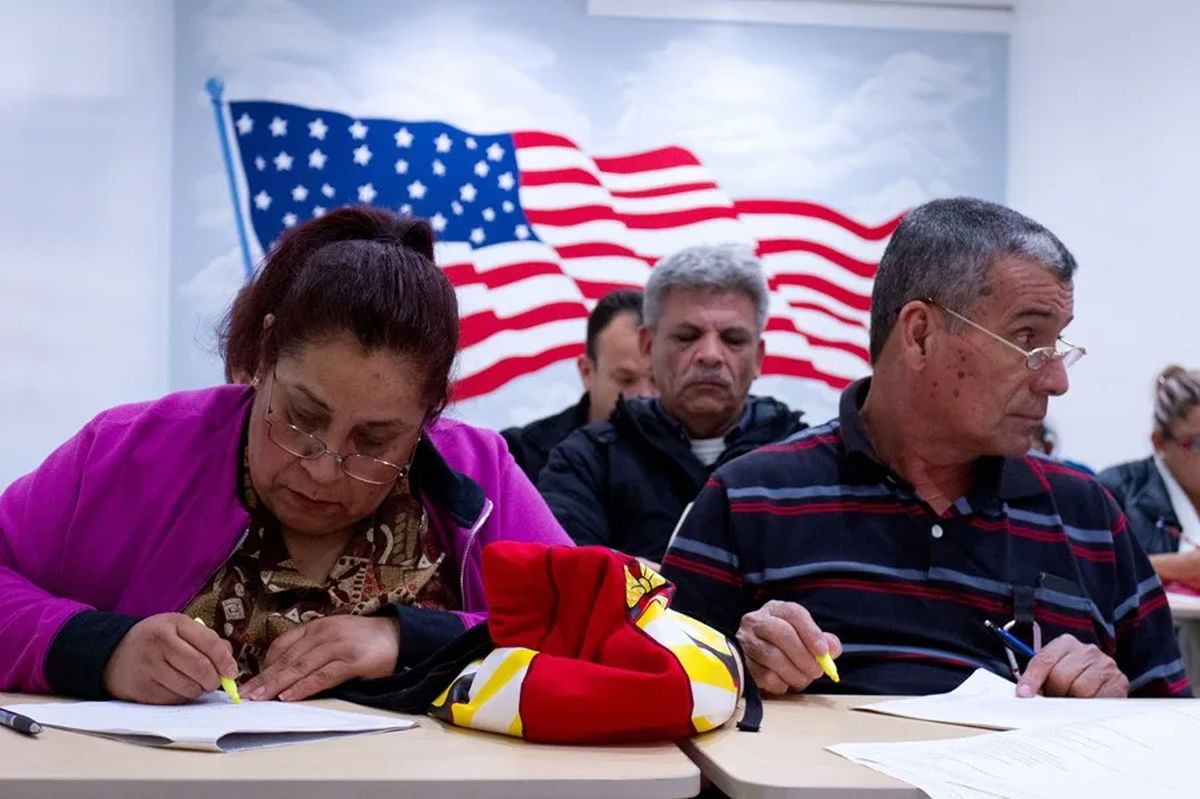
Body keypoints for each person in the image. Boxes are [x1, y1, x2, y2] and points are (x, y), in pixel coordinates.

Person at [0, 207, 572, 704]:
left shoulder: (479, 473)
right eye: (302, 418)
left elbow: (608, 624)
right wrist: (102, 648)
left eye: (375, 441)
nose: (324, 470)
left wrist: (414, 638)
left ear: (429, 416)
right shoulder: (132, 450)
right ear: (267, 354)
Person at [661, 198, 1188, 699]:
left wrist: (1117, 704)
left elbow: (1173, 738)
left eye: (1059, 346)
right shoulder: (749, 499)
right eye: (1029, 340)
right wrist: (735, 666)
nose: (1055, 379)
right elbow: (660, 700)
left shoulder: (1089, 518)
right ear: (919, 335)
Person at [539, 244, 805, 564]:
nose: (710, 354)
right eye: (687, 336)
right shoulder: (584, 461)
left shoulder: (811, 466)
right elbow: (568, 577)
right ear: (647, 346)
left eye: (733, 339)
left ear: (759, 357)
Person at [502, 289, 654, 483]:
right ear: (587, 372)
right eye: (625, 379)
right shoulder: (517, 459)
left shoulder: (699, 455)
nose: (645, 395)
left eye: (657, 380)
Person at [1099, 366, 1200, 590]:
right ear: (1159, 442)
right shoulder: (1115, 491)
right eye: (1197, 444)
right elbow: (1086, 572)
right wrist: (1173, 567)